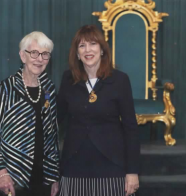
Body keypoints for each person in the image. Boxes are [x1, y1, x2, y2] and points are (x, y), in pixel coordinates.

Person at [57, 25, 140, 196]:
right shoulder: (67, 79)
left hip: (111, 165)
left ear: (102, 49)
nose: (88, 50)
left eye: (93, 44)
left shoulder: (120, 80)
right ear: (77, 54)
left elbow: (131, 128)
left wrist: (132, 171)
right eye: (82, 46)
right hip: (74, 165)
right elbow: (55, 120)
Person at [0, 31, 60, 196]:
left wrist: (54, 175)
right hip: (14, 174)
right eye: (34, 53)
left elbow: (52, 134)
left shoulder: (49, 88)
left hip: (43, 174)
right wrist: (1, 172)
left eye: (45, 54)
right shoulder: (6, 87)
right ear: (22, 56)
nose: (39, 59)